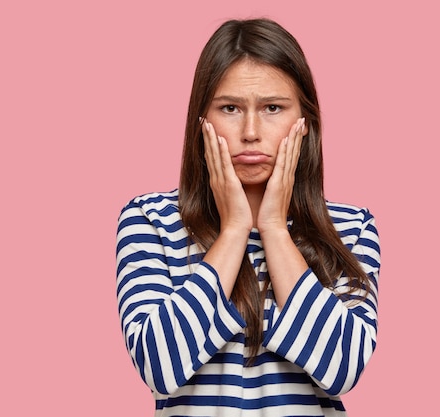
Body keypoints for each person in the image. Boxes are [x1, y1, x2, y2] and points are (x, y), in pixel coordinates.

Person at [116, 18, 380, 417]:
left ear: (304, 123)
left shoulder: (351, 228)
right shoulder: (149, 220)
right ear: (201, 121)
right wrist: (235, 229)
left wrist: (274, 228)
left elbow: (342, 368)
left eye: (273, 108)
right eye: (230, 108)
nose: (251, 131)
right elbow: (159, 365)